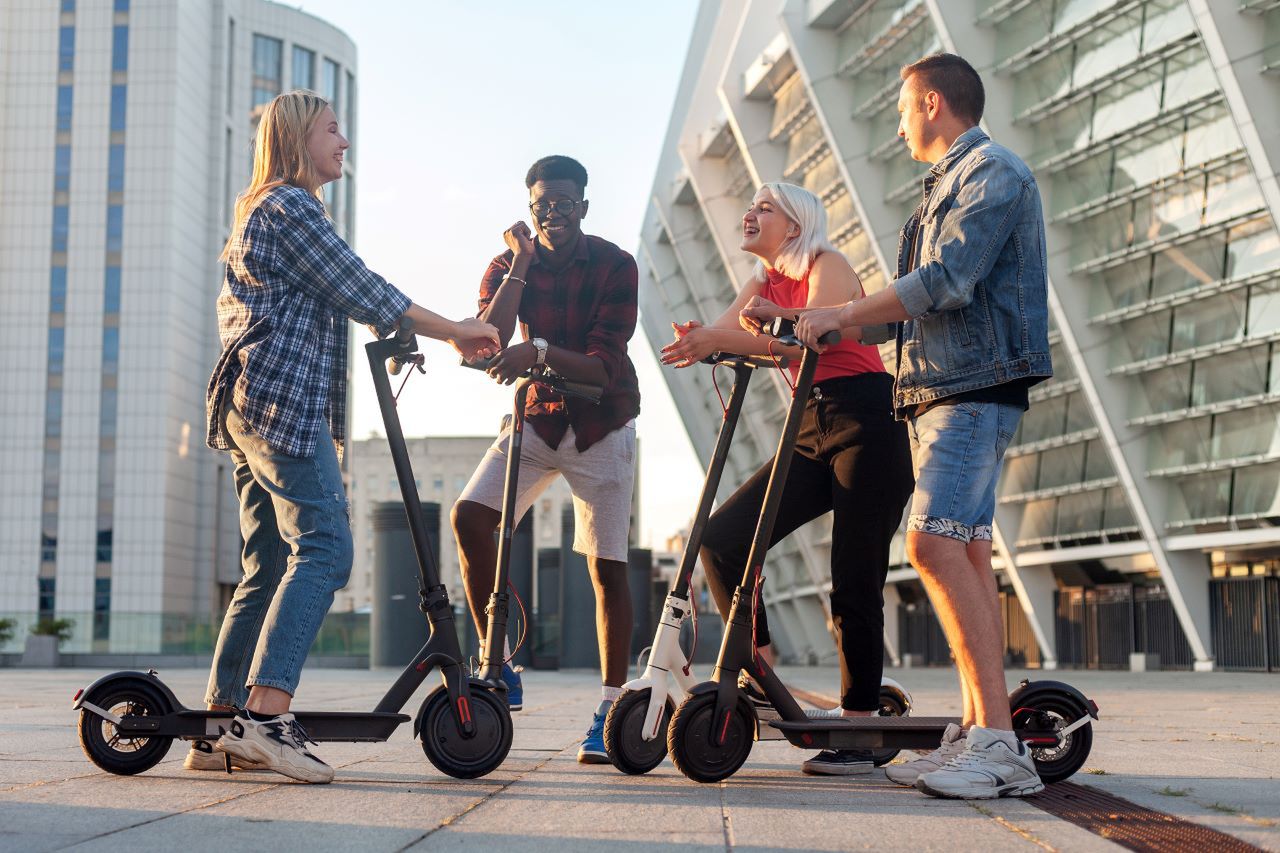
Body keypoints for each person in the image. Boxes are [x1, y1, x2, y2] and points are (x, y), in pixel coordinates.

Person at [766, 53, 1053, 799]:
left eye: (901, 108)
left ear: (931, 103)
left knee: (931, 545)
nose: (895, 122)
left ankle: (999, 744)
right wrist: (825, 326)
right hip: (944, 387)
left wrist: (844, 313)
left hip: (975, 388)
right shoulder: (945, 188)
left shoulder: (991, 173)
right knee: (968, 552)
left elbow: (946, 283)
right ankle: (975, 730)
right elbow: (936, 311)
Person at [194, 90, 499, 783]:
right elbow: (362, 287)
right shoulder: (290, 207)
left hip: (250, 407)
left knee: (266, 566)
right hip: (283, 406)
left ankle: (219, 726)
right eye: (335, 129)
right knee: (326, 550)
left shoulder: (261, 211)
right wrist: (455, 327)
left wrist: (396, 327)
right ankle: (268, 718)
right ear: (301, 137)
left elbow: (338, 295)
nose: (346, 142)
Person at [661, 181, 913, 776]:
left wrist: (735, 334)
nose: (749, 213)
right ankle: (756, 671)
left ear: (795, 225)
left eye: (764, 207)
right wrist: (703, 341)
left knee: (853, 578)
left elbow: (816, 331)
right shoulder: (762, 283)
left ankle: (858, 731)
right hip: (809, 427)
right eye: (749, 204)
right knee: (721, 541)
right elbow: (732, 333)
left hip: (864, 422)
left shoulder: (828, 263)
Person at [451, 155, 641, 764]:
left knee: (606, 566)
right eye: (541, 205)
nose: (552, 214)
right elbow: (485, 344)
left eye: (563, 203)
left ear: (584, 206)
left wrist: (534, 350)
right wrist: (522, 266)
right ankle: (498, 660)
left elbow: (602, 365)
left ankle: (611, 709)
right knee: (470, 517)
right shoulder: (510, 264)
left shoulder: (616, 265)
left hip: (601, 423)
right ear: (529, 209)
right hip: (535, 417)